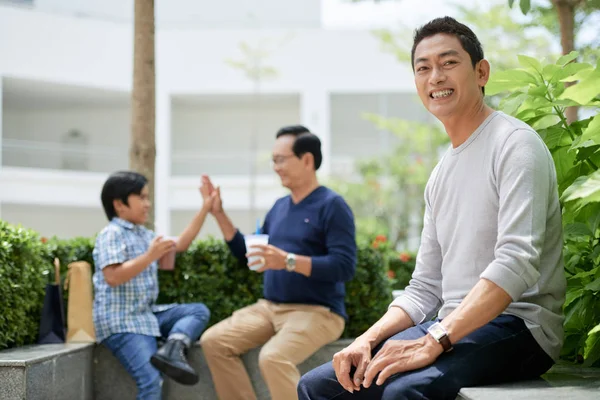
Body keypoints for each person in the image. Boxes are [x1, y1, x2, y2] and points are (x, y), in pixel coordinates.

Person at [298, 16, 566, 400]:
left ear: (481, 72)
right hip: (451, 325)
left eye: (449, 63)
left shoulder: (515, 144)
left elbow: (516, 263)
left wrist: (435, 339)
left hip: (520, 326)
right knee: (321, 386)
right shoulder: (441, 173)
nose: (435, 76)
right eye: (423, 68)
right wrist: (366, 339)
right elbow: (425, 287)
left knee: (404, 391)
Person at [199, 125, 357, 400]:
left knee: (273, 358)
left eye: (280, 159)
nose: (275, 167)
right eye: (274, 160)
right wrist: (219, 214)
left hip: (318, 312)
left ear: (307, 160)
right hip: (269, 308)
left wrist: (289, 261)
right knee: (213, 342)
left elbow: (344, 266)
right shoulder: (279, 207)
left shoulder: (332, 205)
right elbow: (246, 252)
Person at [93, 171, 215, 400]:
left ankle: (172, 349)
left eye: (148, 197)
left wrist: (206, 207)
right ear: (119, 204)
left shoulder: (144, 234)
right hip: (122, 322)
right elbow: (113, 276)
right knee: (151, 381)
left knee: (197, 310)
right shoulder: (111, 234)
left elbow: (181, 243)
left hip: (146, 317)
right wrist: (150, 256)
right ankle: (171, 352)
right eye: (141, 197)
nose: (147, 204)